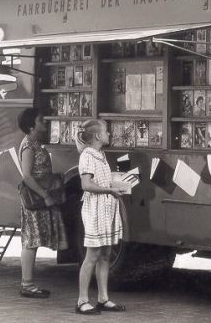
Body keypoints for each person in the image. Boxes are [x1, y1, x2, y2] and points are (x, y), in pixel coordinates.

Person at [75, 119, 130, 315]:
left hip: (106, 207)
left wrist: (113, 188)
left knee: (106, 254)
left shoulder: (99, 154)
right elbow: (86, 184)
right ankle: (82, 300)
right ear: (97, 136)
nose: (109, 134)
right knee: (93, 255)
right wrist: (109, 189)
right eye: (106, 131)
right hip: (95, 209)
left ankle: (103, 298)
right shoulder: (88, 156)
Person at [17, 108, 68, 298]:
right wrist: (45, 195)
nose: (44, 123)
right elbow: (27, 176)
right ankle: (27, 284)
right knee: (31, 240)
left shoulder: (35, 143)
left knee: (33, 240)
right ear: (31, 126)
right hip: (35, 200)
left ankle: (28, 284)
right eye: (40, 120)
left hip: (38, 198)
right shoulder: (28, 146)